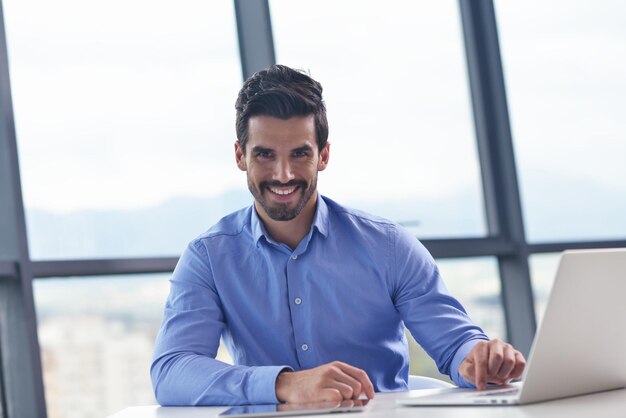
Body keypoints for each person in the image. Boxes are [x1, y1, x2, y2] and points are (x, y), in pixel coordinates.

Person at [150, 64, 526, 406]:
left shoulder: (389, 247)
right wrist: (285, 384)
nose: (283, 174)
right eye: (265, 154)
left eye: (300, 154)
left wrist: (481, 358)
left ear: (324, 156)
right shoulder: (209, 258)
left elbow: (457, 344)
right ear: (240, 156)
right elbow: (171, 371)